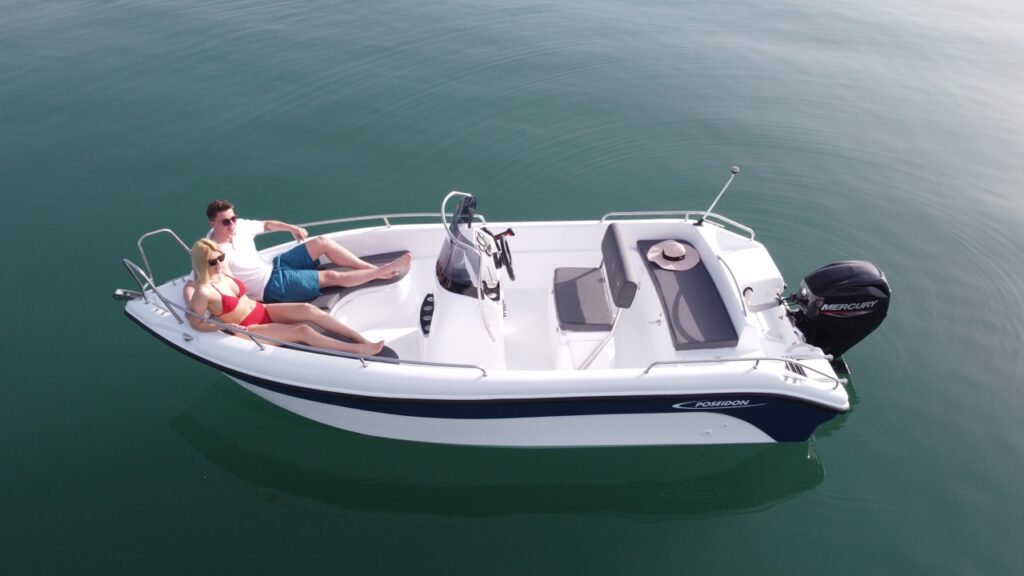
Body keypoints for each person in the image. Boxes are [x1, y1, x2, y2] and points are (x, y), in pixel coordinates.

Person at [186, 238, 385, 356]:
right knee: (303, 331)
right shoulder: (204, 291)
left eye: (220, 257)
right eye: (213, 261)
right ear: (202, 263)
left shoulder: (224, 269)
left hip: (262, 309)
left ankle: (358, 337)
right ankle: (357, 350)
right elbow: (196, 323)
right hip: (248, 328)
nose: (219, 263)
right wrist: (223, 327)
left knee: (308, 309)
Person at [205, 199, 412, 302]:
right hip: (270, 286)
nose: (232, 224)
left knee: (321, 242)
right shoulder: (211, 251)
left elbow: (266, 225)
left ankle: (368, 267)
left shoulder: (240, 226)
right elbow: (204, 281)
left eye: (233, 218)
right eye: (226, 222)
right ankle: (380, 273)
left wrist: (291, 228)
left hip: (275, 266)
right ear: (212, 223)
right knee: (331, 276)